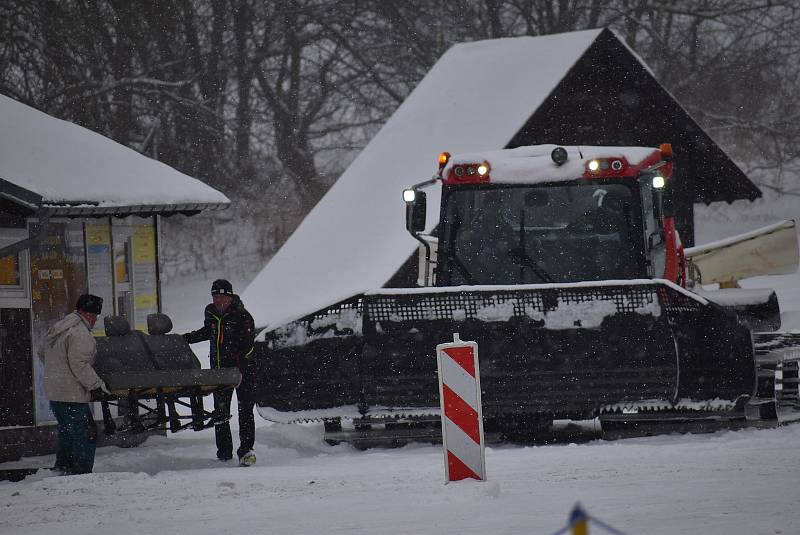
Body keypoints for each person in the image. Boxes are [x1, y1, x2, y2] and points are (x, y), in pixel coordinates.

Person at [183, 279, 257, 466]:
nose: (218, 301)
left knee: (245, 410)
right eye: (215, 297)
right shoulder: (211, 312)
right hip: (218, 371)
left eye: (221, 297)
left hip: (241, 373)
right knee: (220, 412)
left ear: (230, 297)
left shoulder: (242, 316)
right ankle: (224, 452)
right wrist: (184, 339)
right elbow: (207, 331)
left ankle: (246, 450)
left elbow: (248, 347)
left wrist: (239, 372)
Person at [38, 293, 110, 475]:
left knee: (67, 431)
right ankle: (80, 471)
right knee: (85, 431)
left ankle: (64, 467)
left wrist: (57, 370)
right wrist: (96, 385)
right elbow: (80, 364)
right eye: (95, 315)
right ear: (88, 314)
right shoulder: (79, 332)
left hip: (55, 391)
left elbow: (41, 352)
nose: (95, 320)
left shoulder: (58, 327)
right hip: (71, 393)